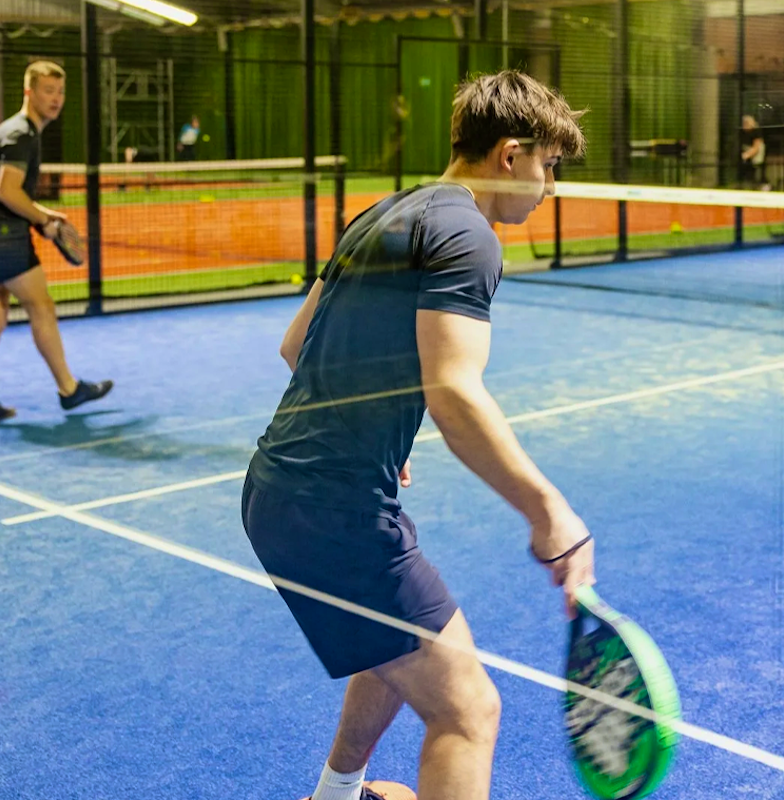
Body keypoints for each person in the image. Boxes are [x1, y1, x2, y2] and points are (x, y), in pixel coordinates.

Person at [241, 71, 592, 800]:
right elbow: (455, 394)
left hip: (282, 487)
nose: (549, 187)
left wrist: (379, 434)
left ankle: (338, 795)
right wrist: (547, 509)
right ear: (510, 154)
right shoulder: (470, 236)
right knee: (469, 711)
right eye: (549, 166)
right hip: (332, 508)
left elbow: (295, 345)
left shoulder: (381, 212)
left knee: (396, 638)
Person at [0, 60, 112, 426]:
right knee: (41, 306)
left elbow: (5, 193)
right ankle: (68, 389)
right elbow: (7, 191)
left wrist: (43, 212)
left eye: (60, 92)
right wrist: (42, 219)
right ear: (29, 91)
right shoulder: (22, 135)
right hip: (2, 237)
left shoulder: (13, 130)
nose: (56, 98)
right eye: (48, 90)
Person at [739, 114, 769, 190]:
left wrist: (747, 155)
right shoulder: (742, 132)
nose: (744, 125)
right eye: (744, 123)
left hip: (756, 156)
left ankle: (763, 186)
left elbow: (757, 147)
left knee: (757, 170)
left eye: (747, 123)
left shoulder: (757, 132)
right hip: (748, 155)